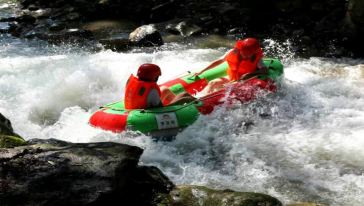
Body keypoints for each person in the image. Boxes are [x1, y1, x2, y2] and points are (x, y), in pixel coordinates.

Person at [197, 38, 268, 93]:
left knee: (226, 89)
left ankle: (208, 100)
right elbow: (219, 61)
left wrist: (249, 74)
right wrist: (202, 71)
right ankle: (201, 100)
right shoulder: (233, 52)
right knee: (212, 83)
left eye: (248, 55)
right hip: (232, 78)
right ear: (240, 49)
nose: (244, 56)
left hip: (244, 81)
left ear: (254, 53)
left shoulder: (258, 59)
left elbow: (264, 70)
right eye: (243, 53)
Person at [124, 63, 195, 110]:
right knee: (185, 95)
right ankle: (199, 103)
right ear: (153, 76)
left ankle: (174, 99)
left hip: (134, 107)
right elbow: (160, 108)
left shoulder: (130, 82)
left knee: (164, 89)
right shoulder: (152, 91)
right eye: (157, 76)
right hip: (155, 111)